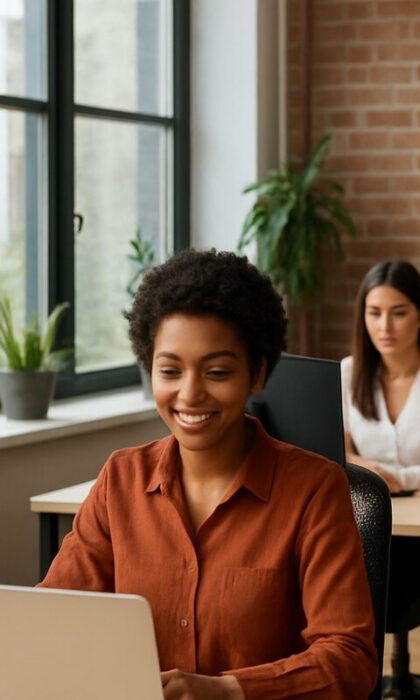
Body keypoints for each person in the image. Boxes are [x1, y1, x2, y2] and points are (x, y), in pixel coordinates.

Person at [40, 250, 378, 700]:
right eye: (170, 371)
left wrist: (229, 690)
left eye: (217, 371)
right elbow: (54, 618)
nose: (190, 393)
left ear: (257, 374)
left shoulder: (314, 489)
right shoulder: (121, 479)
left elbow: (350, 658)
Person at [339, 259, 420, 620]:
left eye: (398, 313)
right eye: (374, 313)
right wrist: (370, 471)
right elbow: (339, 452)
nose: (384, 326)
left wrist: (386, 477)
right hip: (366, 526)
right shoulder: (349, 372)